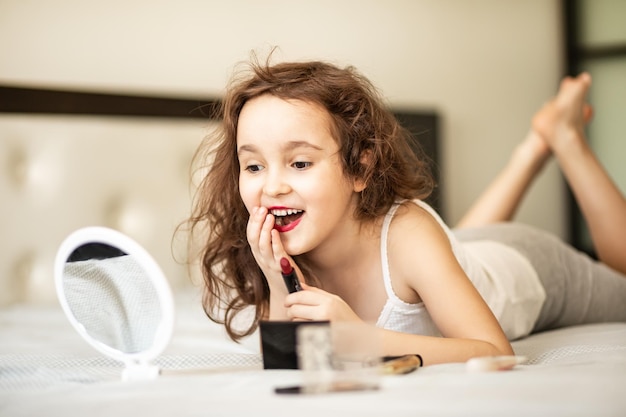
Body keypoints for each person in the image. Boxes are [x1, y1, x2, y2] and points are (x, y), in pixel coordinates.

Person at [185, 57, 626, 365]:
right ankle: (531, 152)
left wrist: (360, 338)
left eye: (300, 163)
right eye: (254, 166)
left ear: (360, 169)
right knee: (453, 247)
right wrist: (279, 282)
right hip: (455, 256)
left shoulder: (408, 233)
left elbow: (495, 351)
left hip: (529, 269)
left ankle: (564, 139)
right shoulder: (276, 244)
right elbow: (286, 361)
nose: (272, 186)